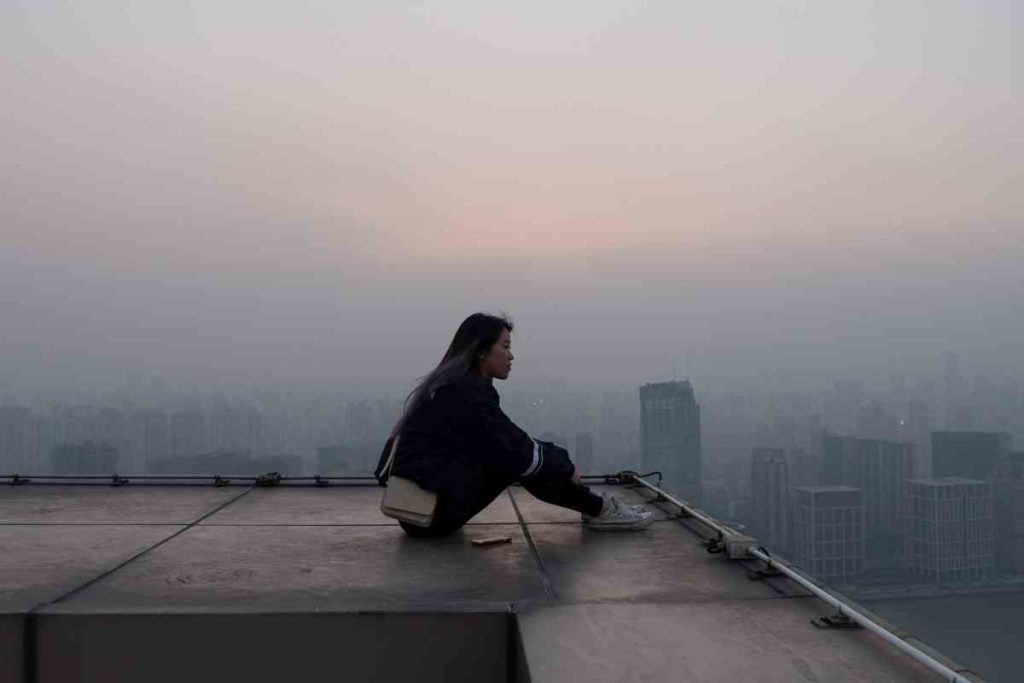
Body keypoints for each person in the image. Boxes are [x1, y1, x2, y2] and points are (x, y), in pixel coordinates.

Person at [375, 312, 654, 537]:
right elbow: (515, 449)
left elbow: (508, 438)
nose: (511, 356)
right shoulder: (465, 394)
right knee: (516, 460)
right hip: (432, 515)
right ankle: (601, 510)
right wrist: (565, 465)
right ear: (481, 352)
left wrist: (556, 461)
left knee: (518, 455)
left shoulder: (452, 386)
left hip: (419, 511)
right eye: (505, 347)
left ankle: (596, 508)